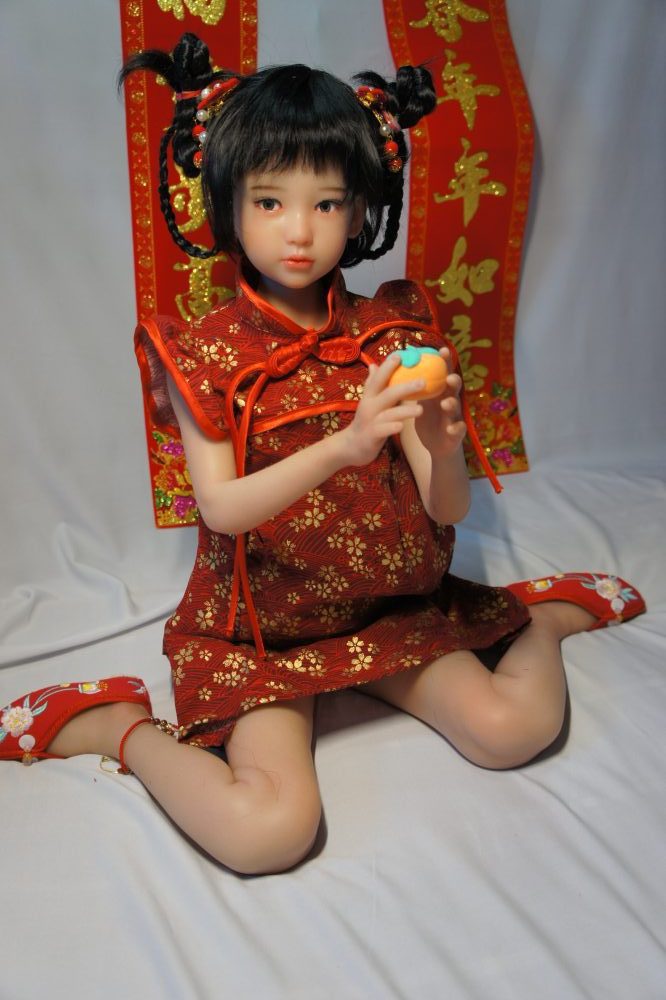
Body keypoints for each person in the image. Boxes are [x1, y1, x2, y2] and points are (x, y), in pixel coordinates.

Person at [0, 33, 645, 875]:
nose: (300, 231)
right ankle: (116, 727)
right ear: (227, 204)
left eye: (328, 204)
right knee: (269, 833)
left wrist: (442, 446)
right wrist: (347, 445)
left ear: (362, 211)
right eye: (270, 202)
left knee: (511, 730)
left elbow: (446, 509)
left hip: (388, 609)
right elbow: (222, 508)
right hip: (264, 633)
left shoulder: (394, 336)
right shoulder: (204, 354)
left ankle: (544, 617)